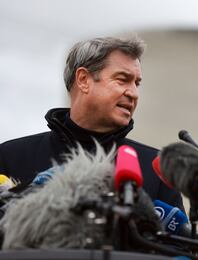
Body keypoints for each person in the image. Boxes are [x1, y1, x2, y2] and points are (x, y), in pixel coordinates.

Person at [0, 36, 184, 210]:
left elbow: (181, 243)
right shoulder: (10, 157)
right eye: (122, 80)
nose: (133, 93)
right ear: (83, 80)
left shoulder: (158, 170)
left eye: (137, 83)